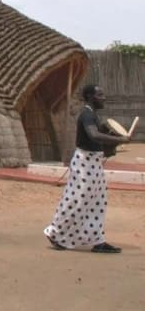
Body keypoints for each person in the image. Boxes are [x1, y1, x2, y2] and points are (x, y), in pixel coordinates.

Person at [44, 84, 130, 254]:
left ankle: (97, 241)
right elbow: (94, 135)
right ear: (90, 96)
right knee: (77, 199)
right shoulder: (86, 115)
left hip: (93, 163)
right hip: (85, 164)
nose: (104, 97)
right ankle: (55, 233)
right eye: (100, 94)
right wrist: (120, 139)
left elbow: (98, 142)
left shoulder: (93, 115)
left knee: (97, 202)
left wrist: (114, 143)